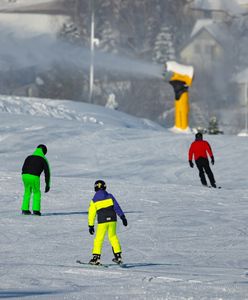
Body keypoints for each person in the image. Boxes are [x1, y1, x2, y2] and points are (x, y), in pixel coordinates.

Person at [88, 180, 128, 265]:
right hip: (112, 220)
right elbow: (117, 207)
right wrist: (122, 217)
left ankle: (96, 258)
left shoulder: (94, 200)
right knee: (113, 236)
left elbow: (91, 214)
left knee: (99, 239)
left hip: (102, 221)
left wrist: (91, 225)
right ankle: (118, 256)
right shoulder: (110, 196)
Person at [21, 144, 51, 216]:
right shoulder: (43, 159)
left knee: (27, 192)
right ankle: (36, 210)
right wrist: (47, 184)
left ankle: (25, 209)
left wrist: (25, 174)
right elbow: (47, 173)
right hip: (34, 176)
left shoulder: (29, 157)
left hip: (24, 175)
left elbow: (23, 167)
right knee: (36, 192)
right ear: (44, 151)